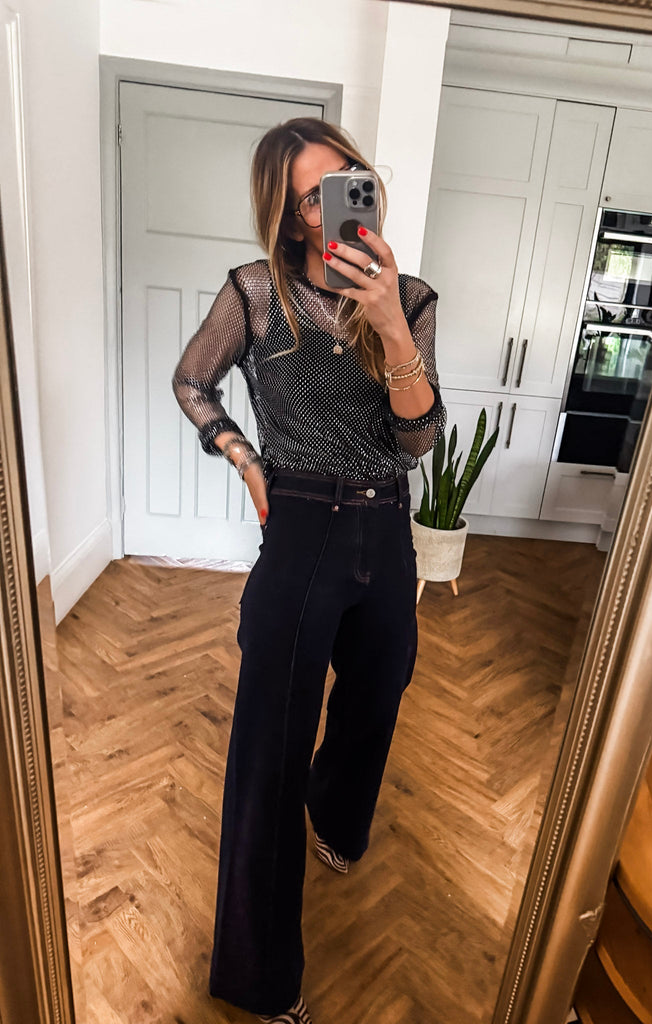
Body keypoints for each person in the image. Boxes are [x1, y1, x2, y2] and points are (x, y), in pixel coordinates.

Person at [172, 117, 446, 1024]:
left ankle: (335, 817)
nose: (336, 205)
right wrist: (242, 456)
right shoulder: (256, 293)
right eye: (313, 197)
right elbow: (192, 381)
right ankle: (260, 976)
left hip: (385, 525)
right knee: (269, 745)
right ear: (292, 217)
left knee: (379, 692)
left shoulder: (409, 297)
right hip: (297, 524)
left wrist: (391, 326)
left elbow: (418, 441)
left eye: (348, 179)